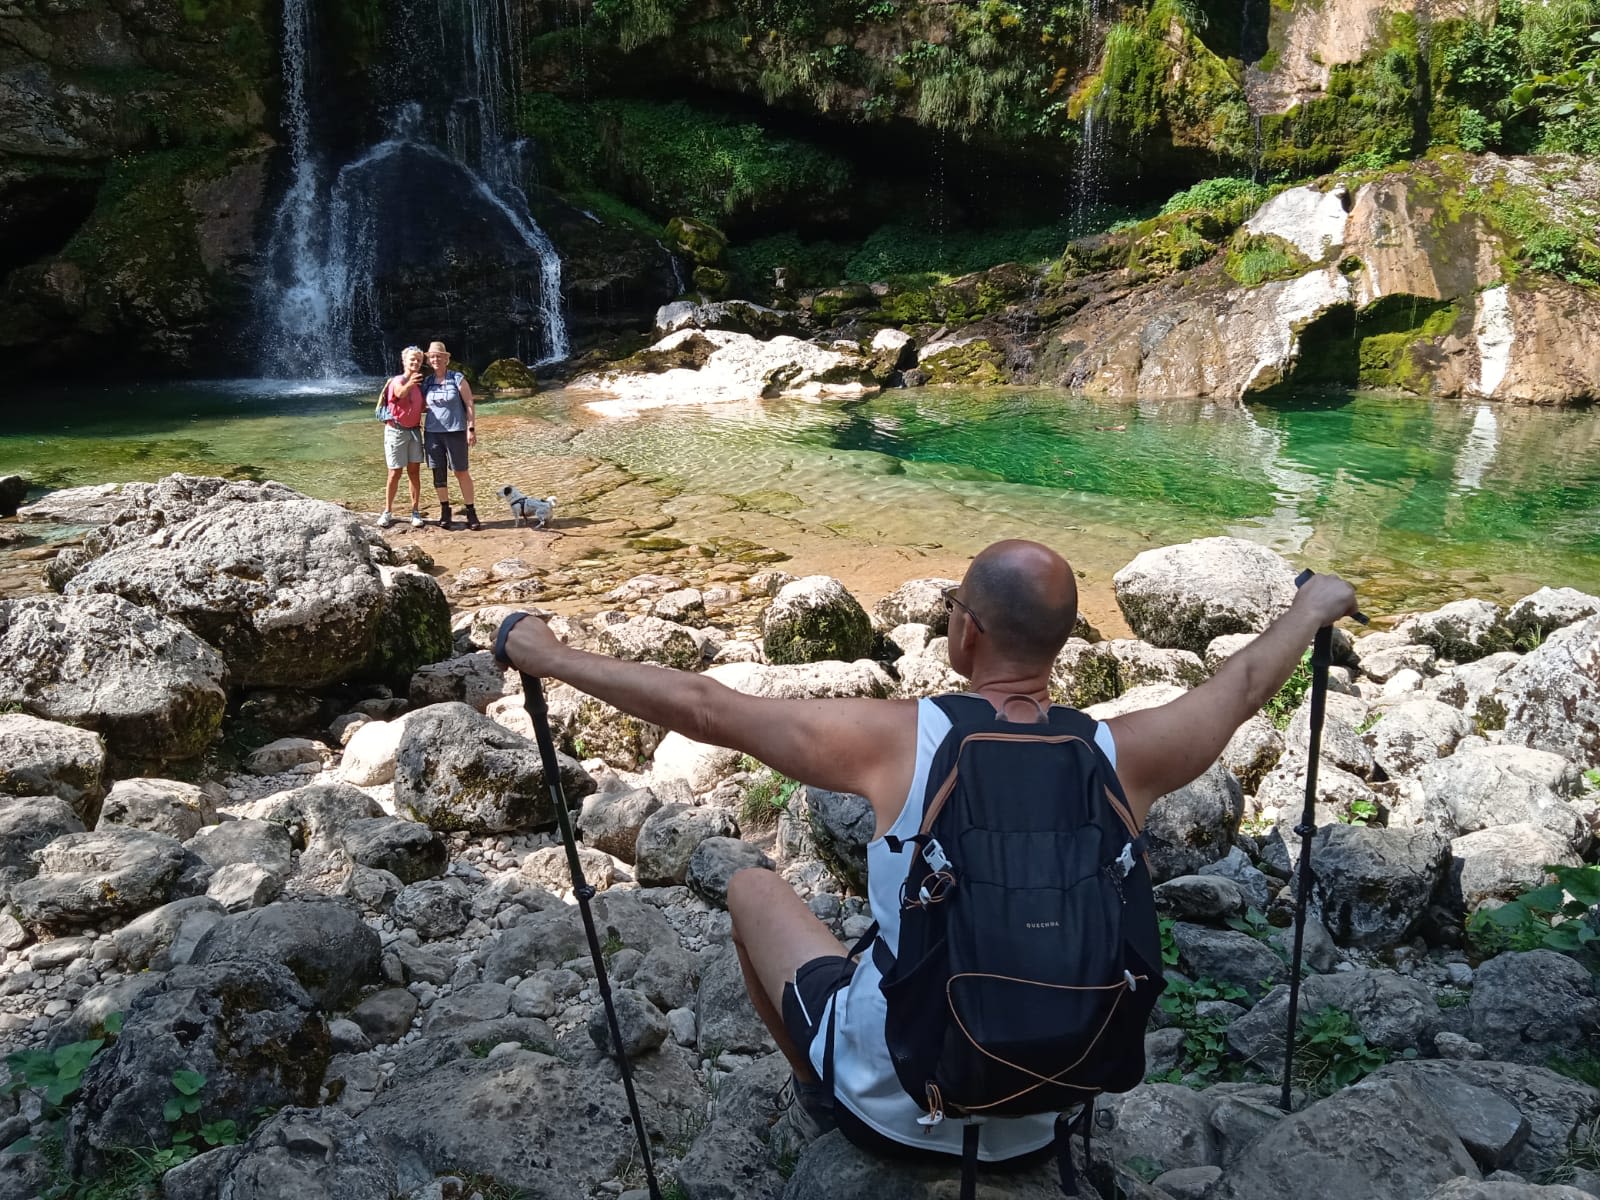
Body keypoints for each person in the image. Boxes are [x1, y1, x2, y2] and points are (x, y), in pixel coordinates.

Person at [498, 539, 1358, 1168]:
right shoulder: (1123, 753)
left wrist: (546, 653)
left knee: (756, 890)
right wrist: (1311, 607)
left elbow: (705, 706)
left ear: (966, 632)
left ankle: (822, 1091)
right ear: (1060, 639)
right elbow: (1242, 686)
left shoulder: (903, 742)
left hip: (898, 1106)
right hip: (1048, 1110)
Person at [420, 340, 480, 531]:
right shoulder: (427, 382)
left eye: (439, 356)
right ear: (429, 360)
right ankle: (445, 510)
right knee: (438, 472)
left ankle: (471, 511)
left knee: (461, 471)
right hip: (432, 433)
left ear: (446, 359)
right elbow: (418, 404)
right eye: (432, 357)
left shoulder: (457, 378)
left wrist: (471, 429)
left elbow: (469, 403)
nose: (435, 359)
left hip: (455, 432)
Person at [378, 345, 428, 529]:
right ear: (404, 361)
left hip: (414, 431)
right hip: (396, 431)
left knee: (414, 472)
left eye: (419, 360)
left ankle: (415, 511)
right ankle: (388, 511)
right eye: (412, 360)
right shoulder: (397, 381)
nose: (415, 362)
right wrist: (410, 382)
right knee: (395, 472)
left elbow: (422, 407)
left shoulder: (418, 385)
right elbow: (399, 393)